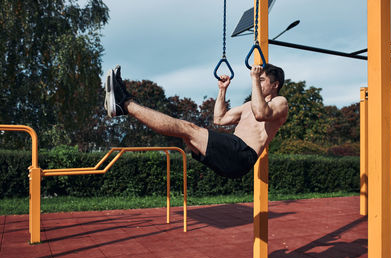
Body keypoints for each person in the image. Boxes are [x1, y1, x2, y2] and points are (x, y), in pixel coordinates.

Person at [104, 64, 288, 178]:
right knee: (185, 132)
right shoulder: (249, 105)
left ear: (275, 84)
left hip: (243, 154)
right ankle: (125, 104)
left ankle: (125, 104)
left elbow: (261, 114)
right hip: (233, 153)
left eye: (263, 80)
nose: (258, 82)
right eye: (259, 79)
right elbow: (219, 118)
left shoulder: (280, 103)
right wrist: (222, 90)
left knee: (188, 127)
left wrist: (254, 78)